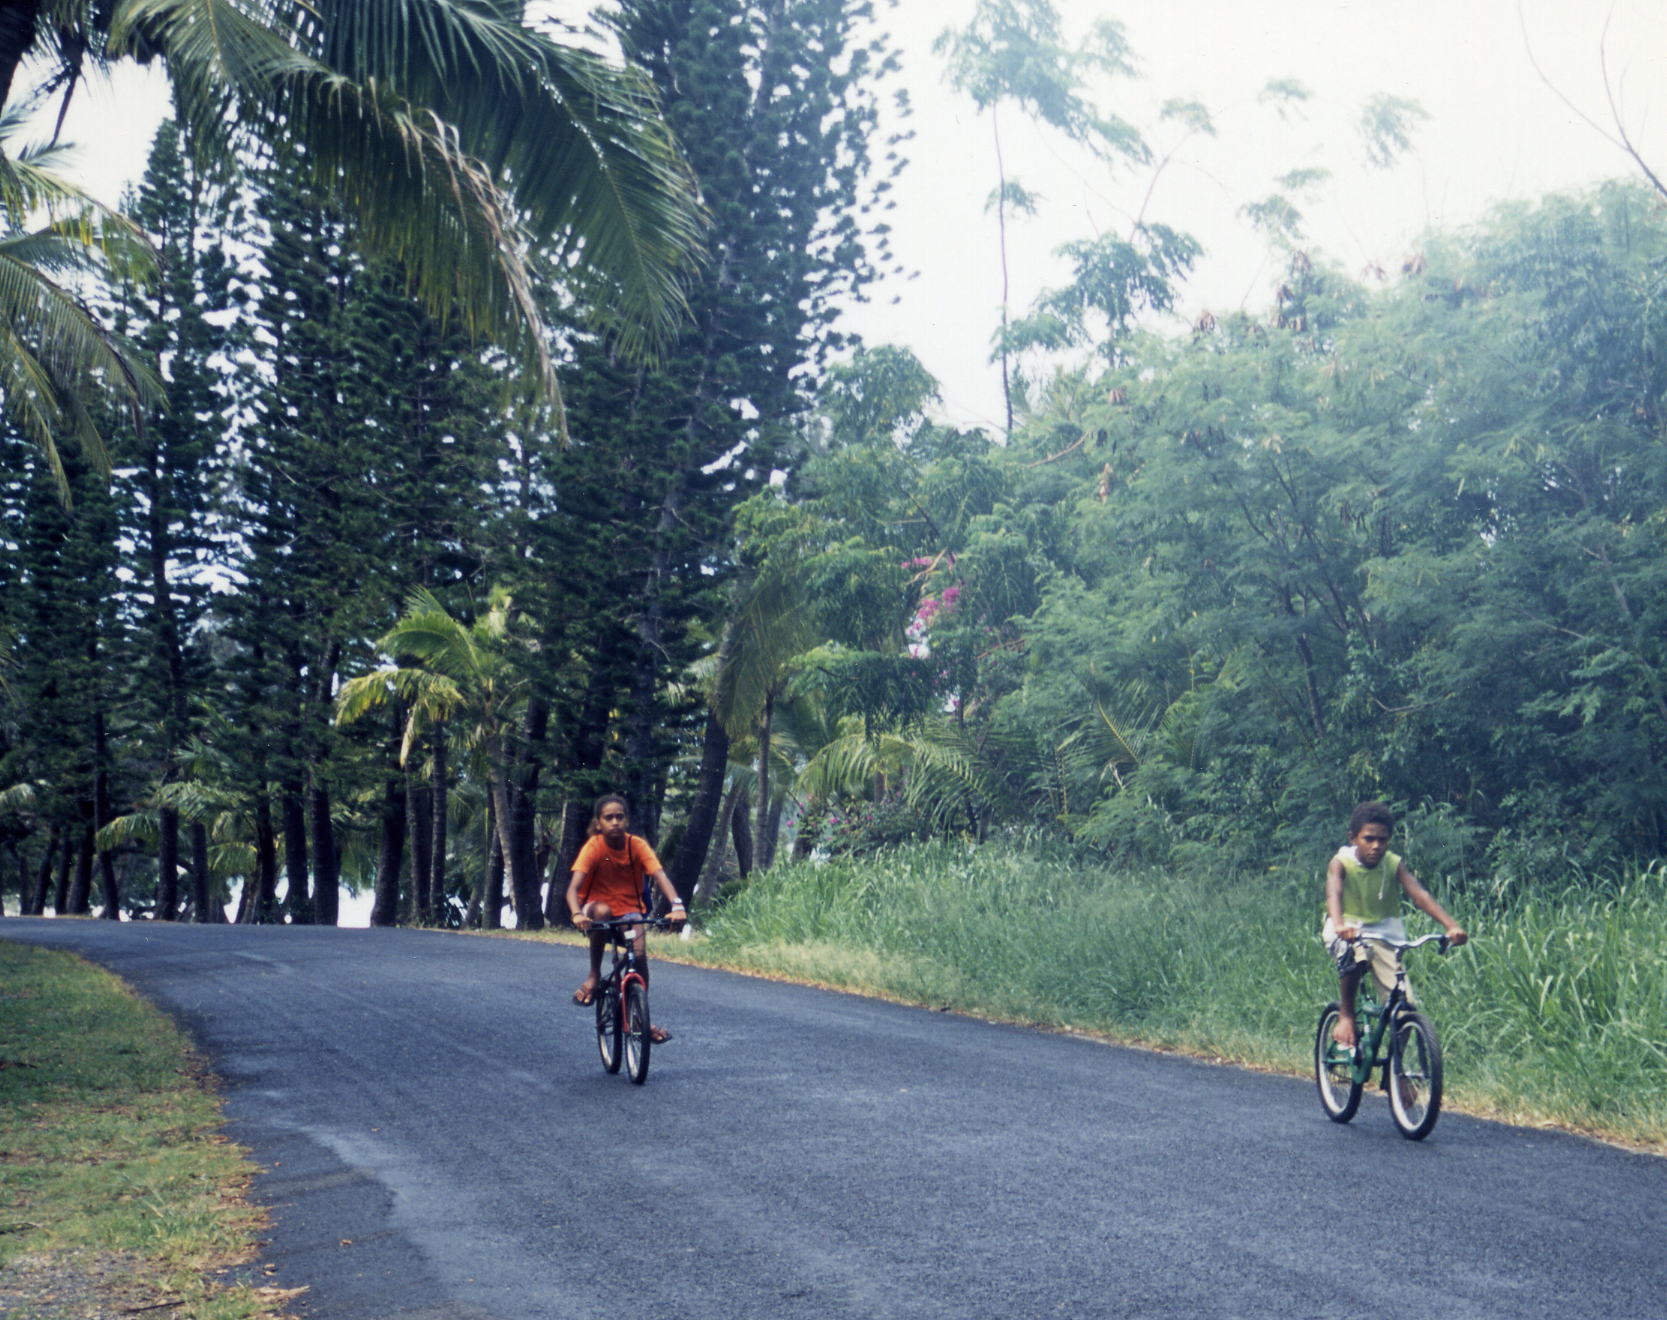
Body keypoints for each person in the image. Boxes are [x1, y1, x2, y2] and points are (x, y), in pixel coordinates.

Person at [1323, 801, 1467, 1051]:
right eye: (1369, 839)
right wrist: (1339, 923)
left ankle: (1396, 1073)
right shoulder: (1342, 862)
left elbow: (1419, 895)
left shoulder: (1392, 863)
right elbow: (1333, 891)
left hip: (1385, 935)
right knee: (1355, 955)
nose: (1376, 846)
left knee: (1404, 1006)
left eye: (1383, 839)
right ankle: (1346, 1014)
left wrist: (1451, 926)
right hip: (1347, 929)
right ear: (1353, 838)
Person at [565, 793, 686, 1044]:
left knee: (639, 956)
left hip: (630, 913)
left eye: (620, 817)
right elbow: (572, 888)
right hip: (595, 912)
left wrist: (676, 905)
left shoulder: (637, 846)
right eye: (608, 818)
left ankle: (640, 1014)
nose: (615, 822)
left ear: (627, 821)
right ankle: (595, 974)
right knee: (602, 912)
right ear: (599, 823)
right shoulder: (594, 847)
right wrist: (577, 913)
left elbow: (660, 876)